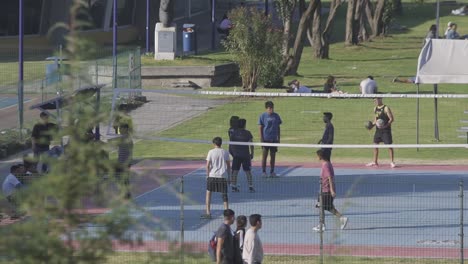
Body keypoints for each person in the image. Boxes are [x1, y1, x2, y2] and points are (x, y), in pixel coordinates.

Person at [313, 150, 348, 232]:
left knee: (321, 206)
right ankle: (342, 218)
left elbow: (330, 177)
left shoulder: (325, 165)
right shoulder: (328, 164)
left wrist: (332, 190)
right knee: (329, 207)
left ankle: (322, 225)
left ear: (321, 156)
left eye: (318, 155)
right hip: (325, 190)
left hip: (326, 191)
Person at [204, 137, 231, 219]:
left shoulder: (211, 152)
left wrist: (207, 175)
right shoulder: (225, 152)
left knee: (208, 194)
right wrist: (229, 176)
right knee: (224, 195)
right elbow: (229, 166)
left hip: (212, 176)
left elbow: (207, 165)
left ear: (214, 144)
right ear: (221, 143)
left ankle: (208, 212)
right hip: (222, 176)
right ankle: (227, 214)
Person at [366, 97, 396, 168]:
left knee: (389, 146)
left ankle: (392, 162)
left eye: (376, 99)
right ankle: (375, 162)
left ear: (380, 99)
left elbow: (391, 119)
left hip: (386, 130)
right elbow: (376, 119)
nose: (375, 101)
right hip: (378, 131)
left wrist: (385, 126)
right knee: (375, 145)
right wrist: (372, 126)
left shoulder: (386, 108)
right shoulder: (375, 108)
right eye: (374, 100)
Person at [230, 119, 255, 193]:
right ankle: (250, 186)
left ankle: (233, 186)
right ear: (244, 125)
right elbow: (251, 144)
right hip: (245, 156)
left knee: (235, 171)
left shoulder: (233, 133)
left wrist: (233, 153)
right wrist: (252, 153)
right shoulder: (248, 133)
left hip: (236, 155)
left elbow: (231, 145)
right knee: (248, 172)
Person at [258, 101, 282, 178]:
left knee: (273, 156)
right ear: (266, 109)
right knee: (264, 156)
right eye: (269, 108)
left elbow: (278, 127)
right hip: (265, 139)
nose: (271, 110)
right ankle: (264, 171)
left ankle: (272, 171)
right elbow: (260, 127)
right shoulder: (262, 116)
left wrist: (278, 138)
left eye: (272, 108)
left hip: (274, 139)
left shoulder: (276, 116)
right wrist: (261, 138)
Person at [117, 124, 133, 199]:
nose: (119, 130)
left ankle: (125, 194)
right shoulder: (125, 137)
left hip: (125, 162)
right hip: (123, 162)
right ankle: (125, 193)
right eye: (119, 128)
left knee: (123, 178)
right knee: (124, 178)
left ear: (126, 129)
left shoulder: (125, 138)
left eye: (121, 128)